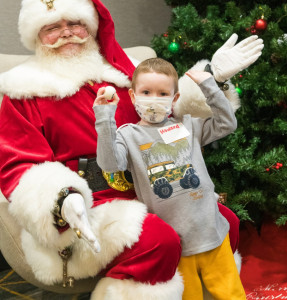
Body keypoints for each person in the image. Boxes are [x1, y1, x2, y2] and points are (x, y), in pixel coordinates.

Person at [0, 0, 263, 298]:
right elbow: (17, 167)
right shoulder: (23, 92)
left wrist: (212, 77)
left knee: (223, 220)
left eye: (76, 24)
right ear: (37, 35)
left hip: (151, 184)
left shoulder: (123, 72)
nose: (67, 33)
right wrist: (63, 200)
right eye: (52, 28)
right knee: (157, 240)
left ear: (91, 26)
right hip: (89, 206)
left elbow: (170, 115)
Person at [94, 57, 246, 300]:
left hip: (212, 233)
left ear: (174, 99)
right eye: (146, 92)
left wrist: (209, 86)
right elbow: (110, 163)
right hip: (177, 243)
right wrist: (105, 117)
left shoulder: (189, 125)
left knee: (232, 295)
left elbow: (227, 123)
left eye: (162, 93)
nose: (154, 99)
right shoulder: (128, 135)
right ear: (133, 96)